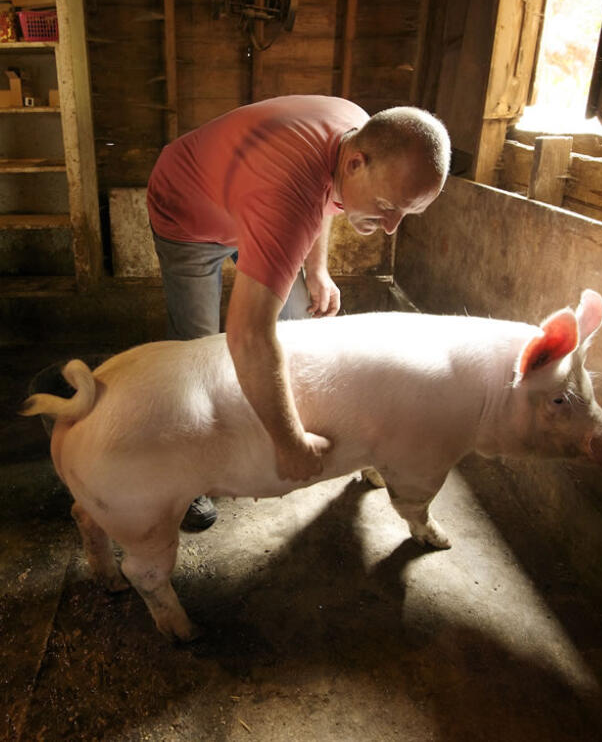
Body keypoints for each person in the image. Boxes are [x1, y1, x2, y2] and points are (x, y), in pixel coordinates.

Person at [147, 95, 451, 531]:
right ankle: (187, 476)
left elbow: (327, 196)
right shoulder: (287, 195)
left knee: (300, 326)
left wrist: (318, 269)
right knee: (197, 352)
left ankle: (290, 425)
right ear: (356, 164)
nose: (390, 226)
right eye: (387, 205)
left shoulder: (360, 136)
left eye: (409, 211)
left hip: (251, 192)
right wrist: (290, 443)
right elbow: (248, 336)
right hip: (188, 209)